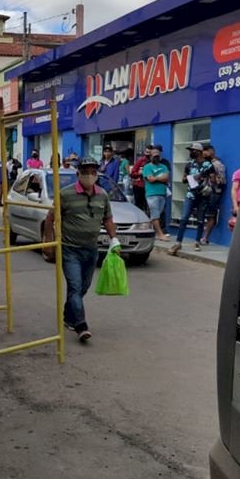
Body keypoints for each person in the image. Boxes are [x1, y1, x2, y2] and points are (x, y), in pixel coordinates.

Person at [56, 157, 118, 342]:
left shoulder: (103, 195)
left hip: (91, 249)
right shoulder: (65, 195)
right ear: (78, 174)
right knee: (75, 287)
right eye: (85, 171)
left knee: (83, 287)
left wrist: (114, 239)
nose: (90, 175)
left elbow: (107, 219)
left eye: (93, 171)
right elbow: (52, 217)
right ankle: (81, 325)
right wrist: (50, 243)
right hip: (70, 249)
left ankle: (68, 316)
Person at [168, 142, 213, 255]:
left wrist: (204, 180)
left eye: (192, 150)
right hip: (191, 194)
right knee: (184, 218)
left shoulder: (208, 165)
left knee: (200, 219)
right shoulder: (189, 164)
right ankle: (178, 242)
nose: (191, 152)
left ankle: (197, 241)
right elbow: (183, 178)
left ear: (198, 151)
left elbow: (214, 179)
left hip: (203, 195)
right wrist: (190, 178)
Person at [200, 144, 227, 245]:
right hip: (203, 192)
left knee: (210, 216)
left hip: (213, 193)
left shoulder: (217, 165)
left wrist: (214, 180)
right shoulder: (204, 164)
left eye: (206, 152)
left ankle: (205, 237)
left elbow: (222, 181)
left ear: (211, 152)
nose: (204, 154)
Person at [142, 150, 171, 241]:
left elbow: (166, 178)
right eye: (154, 156)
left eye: (157, 156)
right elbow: (150, 179)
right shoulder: (147, 167)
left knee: (157, 214)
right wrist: (160, 178)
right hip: (151, 193)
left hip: (162, 193)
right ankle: (160, 234)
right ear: (150, 157)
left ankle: (147, 231)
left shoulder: (164, 166)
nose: (156, 158)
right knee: (155, 215)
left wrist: (156, 178)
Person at [130, 144, 151, 213]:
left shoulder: (153, 162)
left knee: (148, 206)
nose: (148, 154)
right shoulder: (141, 160)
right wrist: (140, 173)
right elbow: (132, 173)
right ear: (144, 152)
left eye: (150, 152)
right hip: (139, 186)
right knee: (139, 206)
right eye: (147, 152)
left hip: (149, 187)